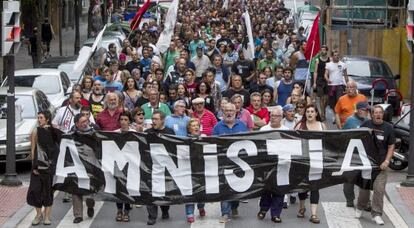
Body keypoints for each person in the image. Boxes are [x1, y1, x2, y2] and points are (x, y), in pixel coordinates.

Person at [355, 105, 395, 225]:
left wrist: (387, 161)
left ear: (383, 114)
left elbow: (391, 146)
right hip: (367, 164)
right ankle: (360, 207)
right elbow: (356, 140)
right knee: (364, 189)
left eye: (380, 113)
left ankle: (376, 214)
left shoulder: (388, 128)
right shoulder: (365, 125)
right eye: (375, 113)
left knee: (379, 190)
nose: (378, 115)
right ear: (372, 115)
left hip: (381, 165)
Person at [212, 103, 248, 223]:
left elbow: (248, 143)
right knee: (225, 188)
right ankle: (225, 213)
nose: (229, 113)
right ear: (222, 112)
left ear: (235, 112)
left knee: (237, 188)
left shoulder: (242, 126)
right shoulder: (217, 127)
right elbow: (213, 145)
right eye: (226, 111)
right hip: (223, 163)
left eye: (231, 111)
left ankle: (234, 206)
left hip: (239, 163)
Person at [295, 104, 327, 224]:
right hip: (303, 160)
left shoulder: (322, 126)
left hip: (317, 160)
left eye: (312, 111)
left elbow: (327, 142)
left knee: (315, 186)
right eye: (307, 111)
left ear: (316, 113)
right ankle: (302, 207)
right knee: (303, 185)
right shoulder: (299, 125)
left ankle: (314, 214)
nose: (309, 113)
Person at [257, 106, 287, 223]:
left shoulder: (286, 130)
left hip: (282, 164)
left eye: (276, 116)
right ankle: (263, 208)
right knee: (266, 189)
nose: (273, 118)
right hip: (266, 164)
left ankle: (276, 214)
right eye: (272, 115)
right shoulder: (263, 129)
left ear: (281, 117)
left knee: (279, 190)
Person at [27, 111, 57, 225]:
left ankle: (47, 217)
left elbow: (57, 147)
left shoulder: (53, 131)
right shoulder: (35, 131)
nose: (39, 120)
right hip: (37, 167)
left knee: (48, 192)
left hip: (49, 167)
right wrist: (34, 166)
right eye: (38, 117)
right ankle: (38, 215)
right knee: (35, 191)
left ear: (47, 119)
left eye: (41, 118)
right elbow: (33, 150)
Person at [145, 111, 174, 225]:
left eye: (156, 119)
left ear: (162, 120)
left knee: (165, 192)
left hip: (166, 166)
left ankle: (165, 209)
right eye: (153, 119)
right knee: (150, 192)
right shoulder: (147, 133)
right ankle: (152, 216)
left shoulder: (169, 132)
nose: (153, 121)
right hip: (151, 167)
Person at [342, 101, 370, 208]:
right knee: (349, 179)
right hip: (351, 155)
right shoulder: (350, 121)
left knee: (365, 179)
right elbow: (342, 135)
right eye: (364, 110)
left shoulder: (368, 121)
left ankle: (366, 202)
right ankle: (350, 199)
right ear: (358, 110)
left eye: (367, 110)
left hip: (364, 155)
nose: (366, 112)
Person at [70, 113, 96, 224]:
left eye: (87, 121)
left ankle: (90, 206)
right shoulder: (71, 134)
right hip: (77, 166)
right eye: (83, 122)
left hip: (90, 166)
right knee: (75, 190)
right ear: (77, 124)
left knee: (90, 192)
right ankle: (78, 215)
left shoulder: (94, 132)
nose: (85, 124)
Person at [113, 111, 135, 222]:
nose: (123, 122)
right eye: (121, 119)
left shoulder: (134, 133)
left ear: (129, 121)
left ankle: (126, 211)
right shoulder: (114, 133)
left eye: (125, 120)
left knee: (128, 189)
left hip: (130, 166)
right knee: (118, 189)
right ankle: (119, 210)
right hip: (117, 165)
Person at [184, 118, 206, 223]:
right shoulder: (183, 140)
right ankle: (189, 213)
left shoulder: (205, 138)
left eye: (197, 125)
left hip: (202, 169)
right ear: (189, 129)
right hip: (189, 169)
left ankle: (201, 207)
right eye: (193, 125)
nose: (196, 127)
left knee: (202, 191)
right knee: (190, 192)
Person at [312, 45, 330, 120]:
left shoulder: (329, 60)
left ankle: (324, 109)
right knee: (322, 97)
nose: (323, 51)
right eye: (322, 50)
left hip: (327, 80)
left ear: (326, 51)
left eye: (324, 50)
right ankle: (322, 113)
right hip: (319, 80)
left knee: (327, 98)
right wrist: (314, 82)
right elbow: (315, 72)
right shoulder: (317, 60)